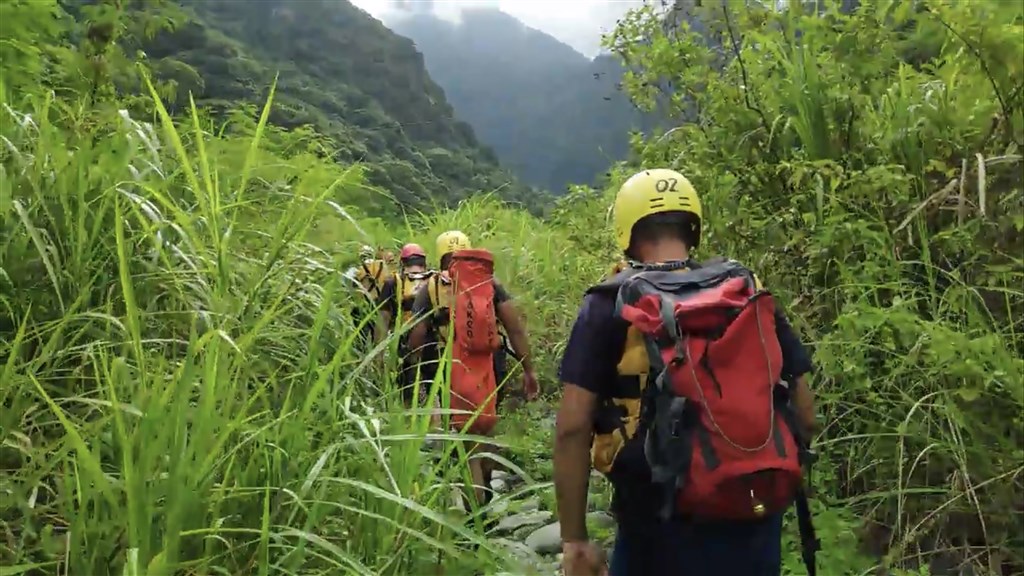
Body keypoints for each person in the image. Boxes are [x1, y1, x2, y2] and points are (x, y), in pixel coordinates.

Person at [553, 168, 819, 576]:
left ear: (626, 229)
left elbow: (572, 427)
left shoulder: (611, 302)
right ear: (693, 227)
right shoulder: (745, 288)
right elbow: (804, 411)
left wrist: (575, 540)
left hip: (657, 521)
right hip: (753, 508)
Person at [407, 230, 539, 510]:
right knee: (485, 430)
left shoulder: (431, 288)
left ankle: (475, 506)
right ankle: (486, 486)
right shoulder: (490, 284)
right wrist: (529, 369)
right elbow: (514, 327)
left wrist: (418, 369)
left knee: (463, 439)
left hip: (449, 370)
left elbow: (417, 334)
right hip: (492, 367)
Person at [376, 242, 436, 407]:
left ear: (403, 263)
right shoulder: (435, 280)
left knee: (408, 391)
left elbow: (383, 320)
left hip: (406, 345)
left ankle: (410, 425)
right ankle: (440, 424)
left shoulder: (393, 282)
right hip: (435, 343)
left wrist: (378, 354)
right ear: (424, 262)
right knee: (436, 389)